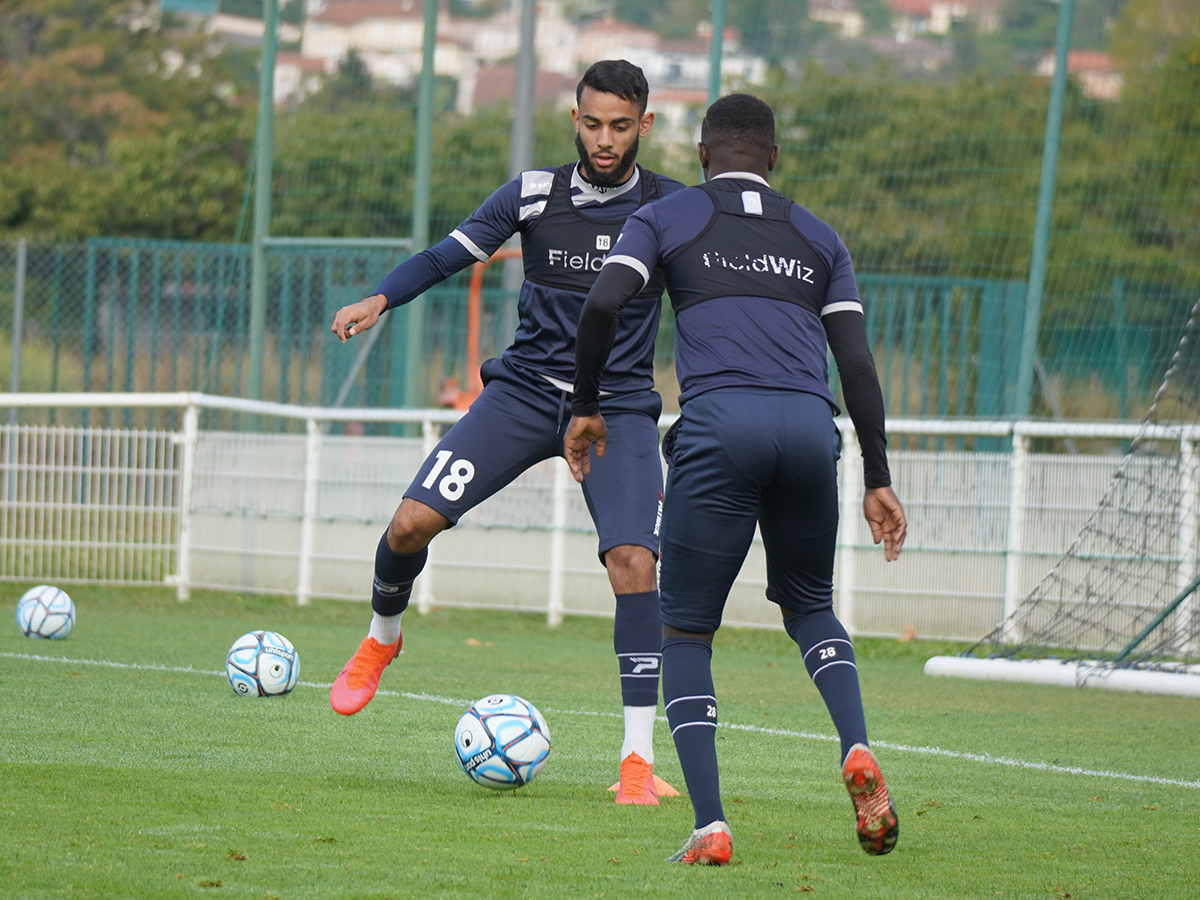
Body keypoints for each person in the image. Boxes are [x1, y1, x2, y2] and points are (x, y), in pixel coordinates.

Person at [328, 60, 687, 805]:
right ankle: (379, 641)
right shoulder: (531, 193)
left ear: (644, 125)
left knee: (634, 564)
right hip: (522, 396)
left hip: (617, 411)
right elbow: (445, 256)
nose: (605, 139)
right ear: (576, 119)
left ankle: (635, 761)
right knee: (407, 525)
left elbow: (712, 310)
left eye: (621, 126)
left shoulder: (672, 210)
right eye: (592, 123)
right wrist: (381, 298)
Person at [565, 93, 907, 864]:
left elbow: (604, 306)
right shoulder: (819, 237)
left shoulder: (669, 216)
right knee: (813, 608)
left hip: (721, 426)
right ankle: (855, 748)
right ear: (774, 159)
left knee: (685, 629)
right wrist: (877, 477)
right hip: (809, 430)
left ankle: (711, 826)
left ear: (700, 154)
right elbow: (855, 362)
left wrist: (585, 408)